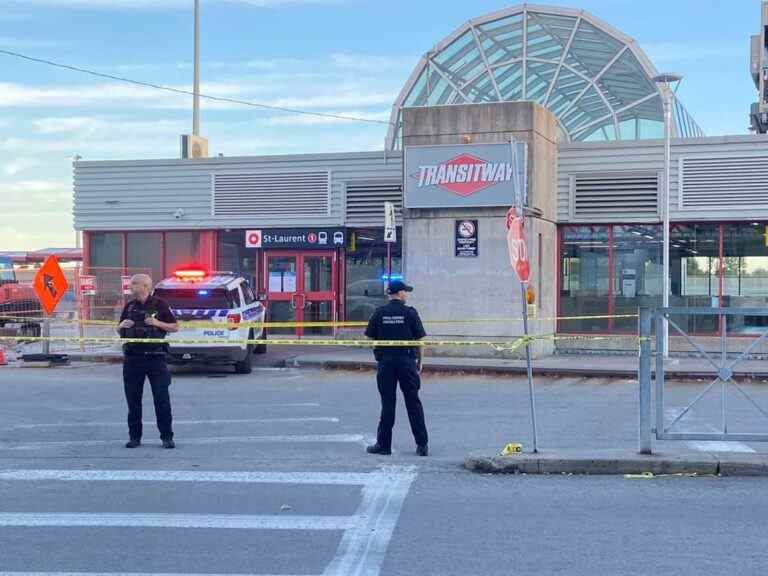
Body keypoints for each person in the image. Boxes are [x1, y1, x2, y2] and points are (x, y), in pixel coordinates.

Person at [364, 279, 429, 456]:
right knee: (413, 402)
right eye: (405, 291)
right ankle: (422, 445)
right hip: (406, 361)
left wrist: (379, 353)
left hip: (386, 363)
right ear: (399, 293)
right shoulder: (410, 313)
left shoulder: (379, 313)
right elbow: (419, 341)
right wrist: (420, 361)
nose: (406, 294)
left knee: (388, 403)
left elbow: (370, 338)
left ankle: (383, 445)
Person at [116, 274, 179, 449]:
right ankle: (134, 437)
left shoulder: (160, 305)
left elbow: (175, 327)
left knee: (161, 399)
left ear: (145, 286)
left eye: (134, 284)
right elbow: (118, 329)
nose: (131, 286)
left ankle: (167, 437)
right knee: (133, 400)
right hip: (133, 359)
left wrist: (157, 322)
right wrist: (120, 327)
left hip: (155, 358)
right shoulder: (129, 306)